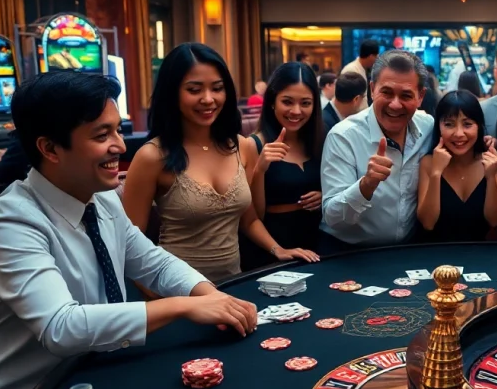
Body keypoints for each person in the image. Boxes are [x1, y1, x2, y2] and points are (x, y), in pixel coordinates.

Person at [0, 71, 258, 389]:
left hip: (91, 384)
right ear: (50, 148)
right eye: (101, 135)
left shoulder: (103, 199)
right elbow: (62, 327)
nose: (119, 146)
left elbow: (154, 262)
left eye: (117, 130)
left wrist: (208, 293)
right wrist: (182, 307)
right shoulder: (9, 222)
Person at [123, 43, 317, 283]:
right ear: (172, 93)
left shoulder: (241, 147)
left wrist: (278, 249)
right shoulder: (152, 156)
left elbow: (250, 219)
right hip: (178, 292)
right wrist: (159, 301)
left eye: (217, 88)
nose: (208, 99)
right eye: (194, 90)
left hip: (233, 287)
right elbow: (131, 247)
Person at [320, 49, 433, 251]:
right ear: (372, 89)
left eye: (406, 95)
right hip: (349, 254)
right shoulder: (344, 136)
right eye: (387, 93)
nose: (395, 104)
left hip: (406, 251)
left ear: (420, 96)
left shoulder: (428, 127)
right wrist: (366, 185)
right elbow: (332, 216)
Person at [247, 62, 325, 253]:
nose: (296, 111)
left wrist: (326, 197)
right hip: (272, 246)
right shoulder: (253, 144)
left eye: (305, 103)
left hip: (319, 242)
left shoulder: (321, 139)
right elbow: (252, 217)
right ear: (273, 101)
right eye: (287, 102)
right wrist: (261, 169)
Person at [417, 90, 497, 241]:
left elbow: (494, 220)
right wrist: (436, 173)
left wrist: (491, 177)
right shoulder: (428, 163)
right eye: (449, 124)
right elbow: (428, 223)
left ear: (479, 126)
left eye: (467, 124)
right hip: (437, 257)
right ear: (438, 127)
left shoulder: (491, 161)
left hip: (480, 256)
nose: (459, 133)